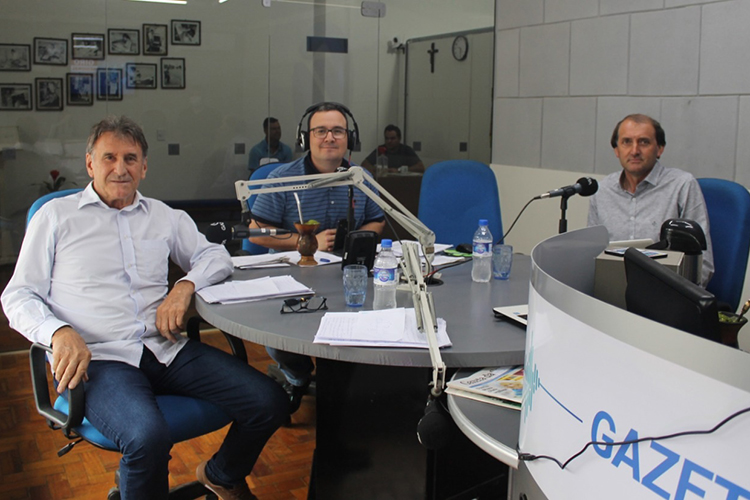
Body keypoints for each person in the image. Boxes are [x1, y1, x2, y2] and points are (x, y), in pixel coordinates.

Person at [1, 116, 288, 500]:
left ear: (144, 167)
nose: (120, 168)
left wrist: (184, 286)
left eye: (131, 158)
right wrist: (58, 332)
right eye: (109, 157)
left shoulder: (164, 216)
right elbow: (18, 295)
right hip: (97, 359)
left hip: (164, 347)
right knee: (147, 438)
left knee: (269, 401)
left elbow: (215, 257)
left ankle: (221, 475)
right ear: (90, 164)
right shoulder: (56, 217)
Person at [249, 102, 385, 413]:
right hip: (293, 277)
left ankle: (349, 387)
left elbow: (377, 221)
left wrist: (355, 240)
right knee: (279, 336)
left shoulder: (360, 178)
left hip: (346, 275)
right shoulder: (283, 178)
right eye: (320, 131)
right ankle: (296, 375)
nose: (329, 137)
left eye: (337, 131)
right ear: (305, 138)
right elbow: (256, 232)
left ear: (349, 138)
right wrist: (307, 242)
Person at [588, 113, 714, 286]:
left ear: (660, 148)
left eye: (644, 142)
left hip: (666, 291)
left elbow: (702, 264)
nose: (634, 151)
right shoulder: (601, 191)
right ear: (616, 150)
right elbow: (591, 256)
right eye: (626, 142)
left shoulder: (681, 185)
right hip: (610, 289)